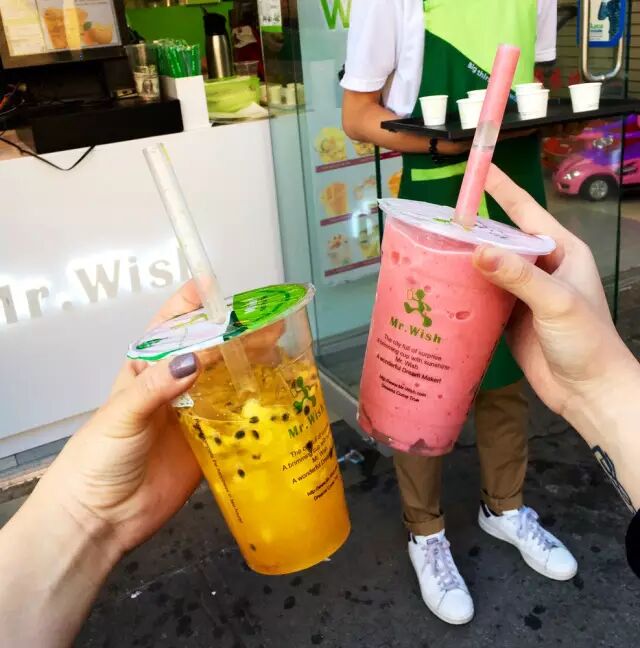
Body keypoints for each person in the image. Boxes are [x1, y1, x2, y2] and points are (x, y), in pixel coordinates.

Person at [341, 0, 571, 624]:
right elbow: (357, 115)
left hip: (515, 186)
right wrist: (451, 140)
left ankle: (505, 507)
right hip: (441, 190)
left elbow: (534, 84)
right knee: (423, 378)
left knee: (509, 369)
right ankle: (425, 532)